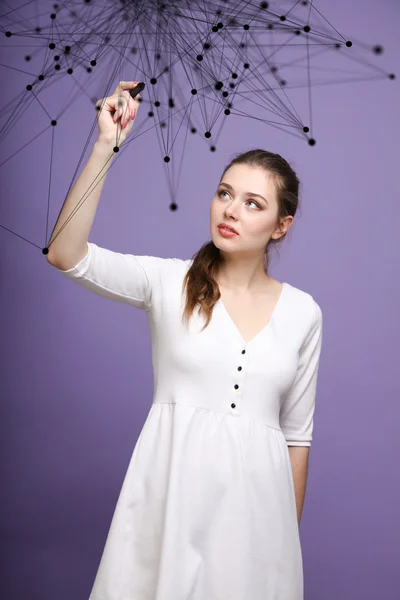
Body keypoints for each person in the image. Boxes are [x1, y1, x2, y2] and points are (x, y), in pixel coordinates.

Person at [47, 81, 323, 600]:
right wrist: (105, 145)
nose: (231, 210)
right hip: (167, 507)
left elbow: (297, 440)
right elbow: (66, 253)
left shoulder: (303, 313)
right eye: (224, 193)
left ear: (281, 226)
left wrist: (284, 547)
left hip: (258, 526)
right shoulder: (167, 281)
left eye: (252, 202)